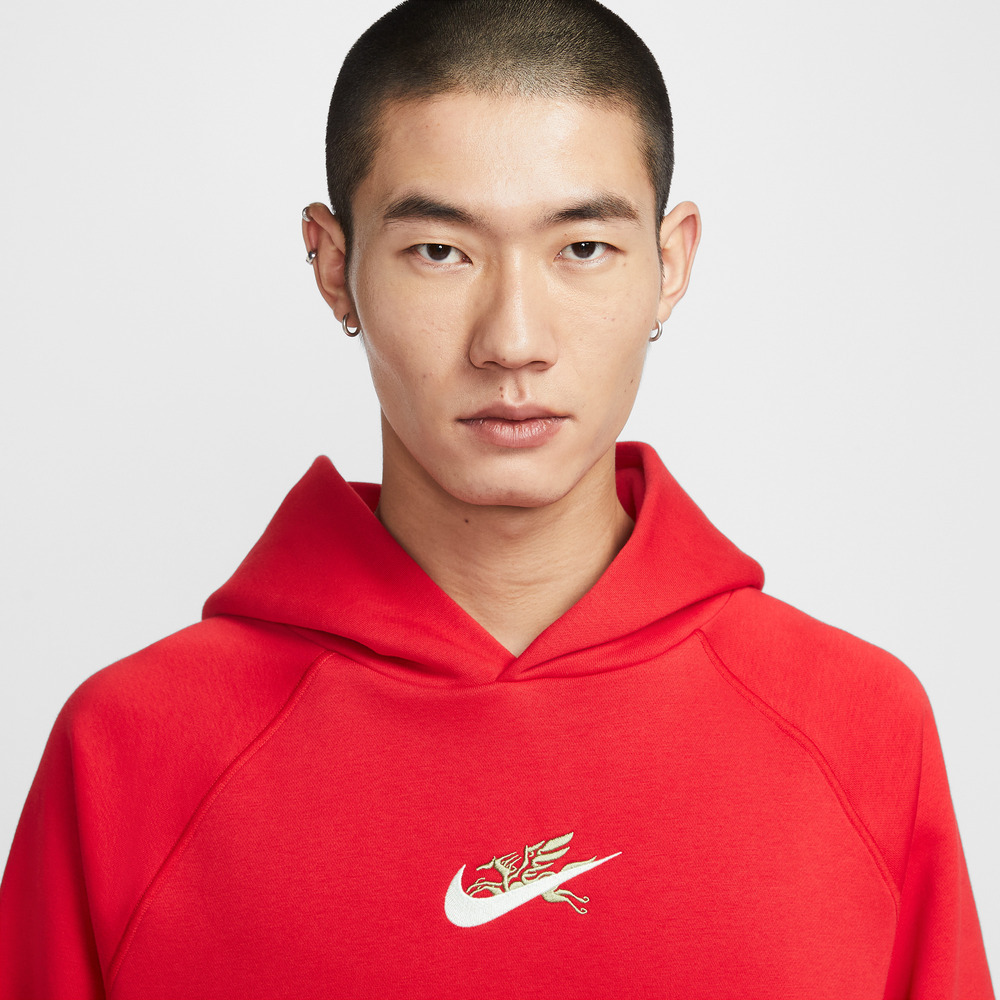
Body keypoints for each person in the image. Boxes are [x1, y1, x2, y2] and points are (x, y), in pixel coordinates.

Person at [0, 0, 993, 996]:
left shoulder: (857, 729)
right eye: (441, 251)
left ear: (671, 263)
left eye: (582, 248)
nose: (513, 340)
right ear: (336, 267)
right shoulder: (130, 752)